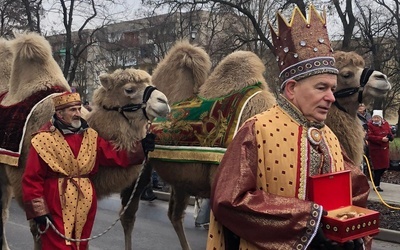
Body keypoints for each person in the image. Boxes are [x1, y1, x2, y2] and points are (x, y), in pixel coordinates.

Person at [207, 5, 370, 250]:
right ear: (292, 89)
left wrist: (353, 232)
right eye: (321, 88)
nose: (331, 97)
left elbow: (354, 188)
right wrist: (308, 223)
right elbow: (229, 200)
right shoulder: (256, 131)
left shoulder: (330, 137)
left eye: (332, 89)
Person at [22, 92, 155, 250]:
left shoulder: (90, 136)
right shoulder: (42, 140)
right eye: (72, 110)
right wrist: (39, 212)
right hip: (56, 201)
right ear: (59, 113)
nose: (78, 113)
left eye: (78, 108)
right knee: (57, 246)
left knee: (80, 245)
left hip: (84, 203)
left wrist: (140, 148)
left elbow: (113, 154)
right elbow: (31, 179)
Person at [367, 110, 393, 192]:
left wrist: (390, 137)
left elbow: (389, 132)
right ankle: (376, 185)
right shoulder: (370, 125)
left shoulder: (386, 124)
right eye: (374, 117)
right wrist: (381, 139)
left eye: (377, 117)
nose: (376, 119)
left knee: (384, 166)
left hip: (385, 149)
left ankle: (376, 181)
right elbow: (370, 136)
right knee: (378, 168)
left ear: (381, 118)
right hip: (376, 149)